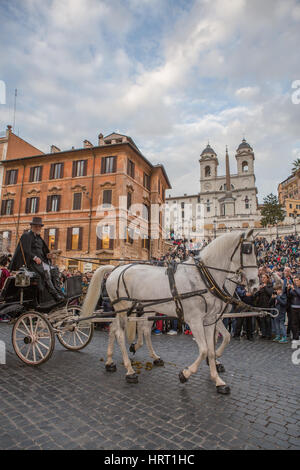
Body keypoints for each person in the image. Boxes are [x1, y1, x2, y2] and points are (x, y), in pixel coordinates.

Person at [9, 217, 65, 305]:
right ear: (32, 226)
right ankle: (55, 296)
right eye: (36, 226)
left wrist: (48, 255)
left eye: (39, 226)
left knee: (55, 270)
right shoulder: (26, 235)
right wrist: (34, 257)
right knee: (45, 271)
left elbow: (43, 251)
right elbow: (25, 250)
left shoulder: (39, 238)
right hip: (31, 263)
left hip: (41, 262)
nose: (38, 228)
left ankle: (59, 292)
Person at [287, 275, 300, 348]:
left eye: (297, 280)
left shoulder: (295, 288)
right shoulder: (293, 288)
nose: (296, 282)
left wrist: (294, 290)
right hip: (293, 307)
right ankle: (295, 337)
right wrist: (288, 290)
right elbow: (289, 297)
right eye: (295, 281)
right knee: (294, 323)